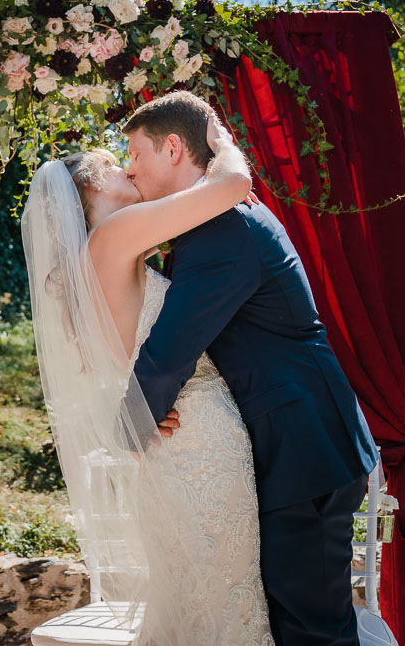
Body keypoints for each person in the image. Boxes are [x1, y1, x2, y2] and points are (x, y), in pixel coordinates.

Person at [125, 92, 380, 646]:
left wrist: (126, 425)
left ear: (172, 148)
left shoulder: (221, 232)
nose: (129, 167)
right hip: (295, 442)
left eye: (136, 152)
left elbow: (169, 353)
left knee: (315, 631)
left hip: (304, 446)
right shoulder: (214, 223)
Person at [21, 104, 274, 645]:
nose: (130, 171)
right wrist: (219, 137)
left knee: (199, 601)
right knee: (223, 601)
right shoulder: (115, 238)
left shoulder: (111, 255)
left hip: (172, 449)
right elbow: (233, 184)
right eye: (118, 165)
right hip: (200, 442)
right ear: (92, 191)